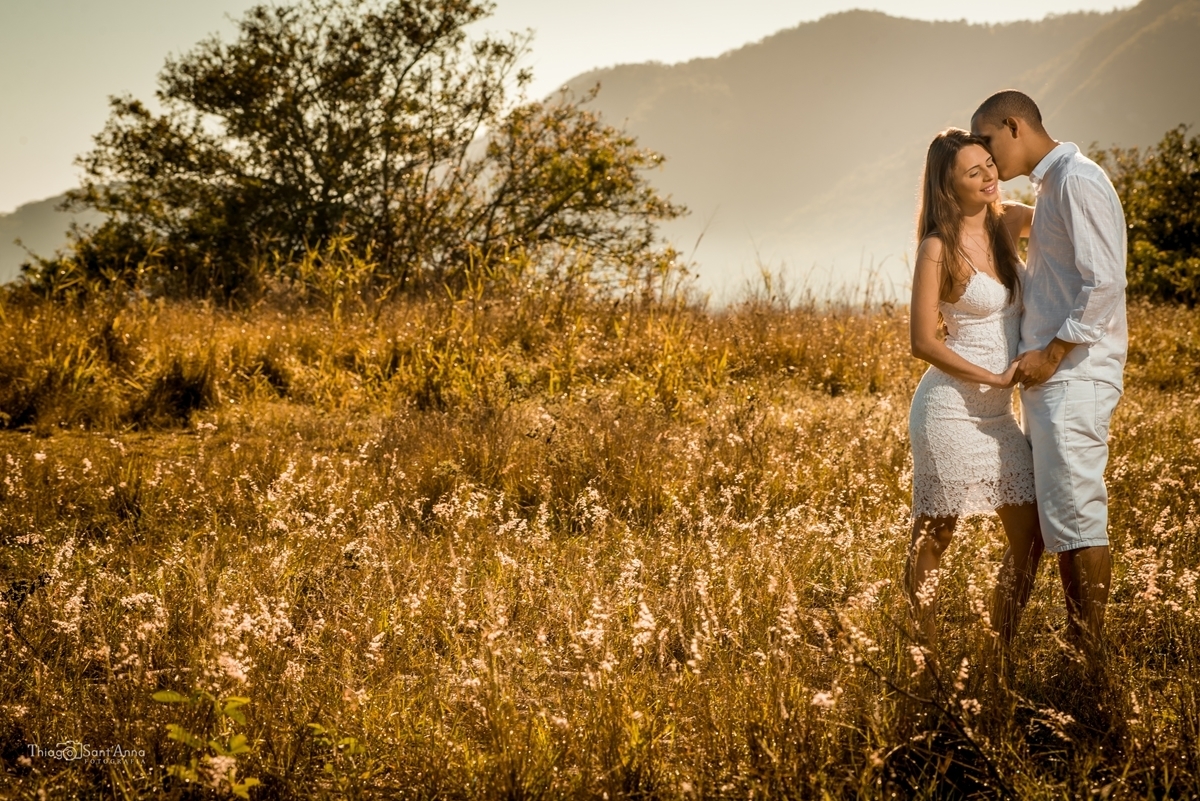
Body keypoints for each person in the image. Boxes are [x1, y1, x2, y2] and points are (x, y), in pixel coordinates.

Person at [971, 90, 1127, 668]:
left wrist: (1054, 352)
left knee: (1076, 515)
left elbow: (1105, 281)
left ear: (1013, 126)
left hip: (1074, 375)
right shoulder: (1054, 187)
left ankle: (1090, 663)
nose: (987, 161)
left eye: (988, 143)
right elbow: (1068, 260)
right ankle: (1008, 655)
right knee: (1053, 516)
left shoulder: (1077, 180)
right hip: (1052, 379)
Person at [905, 128, 1043, 673]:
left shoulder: (1008, 221)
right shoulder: (937, 247)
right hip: (949, 409)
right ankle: (928, 664)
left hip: (998, 416)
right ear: (947, 184)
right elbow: (922, 340)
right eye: (974, 172)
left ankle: (995, 654)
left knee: (1032, 541)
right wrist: (992, 373)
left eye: (990, 165)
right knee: (936, 535)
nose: (990, 177)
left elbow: (1063, 218)